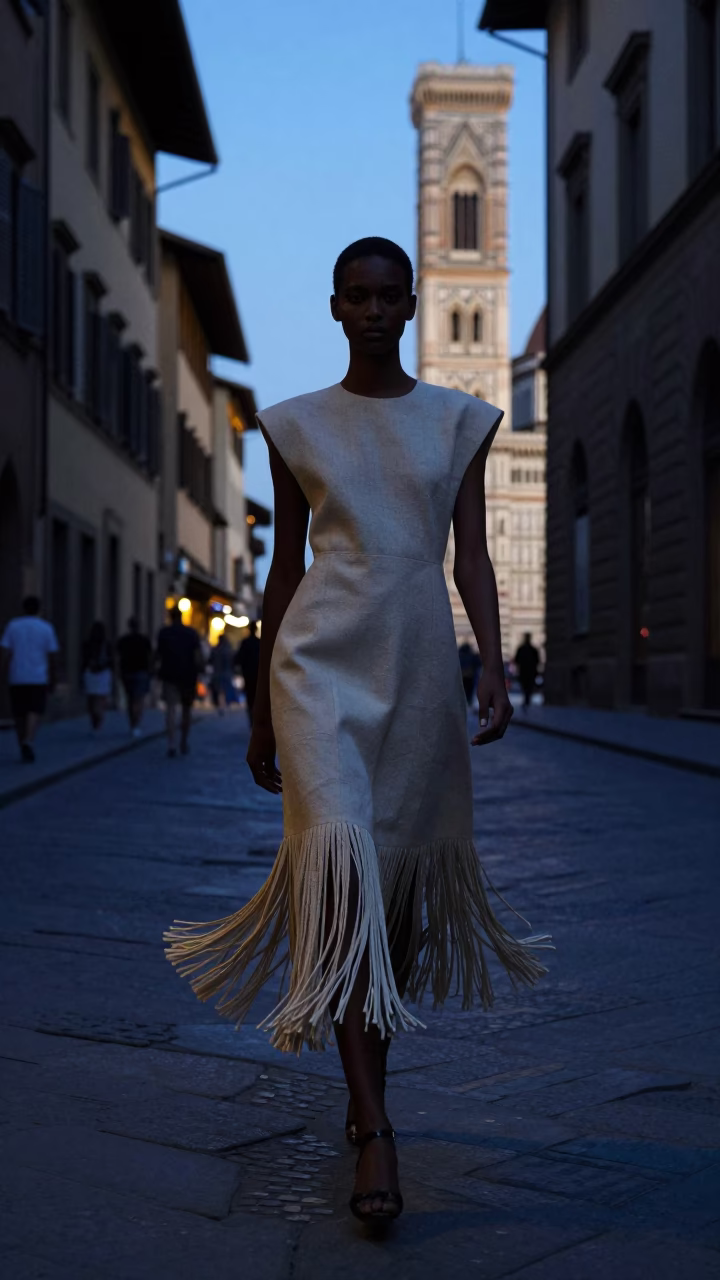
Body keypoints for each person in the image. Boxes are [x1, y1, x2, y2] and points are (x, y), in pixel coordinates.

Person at [165, 237, 549, 1225]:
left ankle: (365, 1088)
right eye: (358, 296)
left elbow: (472, 558)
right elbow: (283, 572)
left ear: (411, 306)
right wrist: (258, 699)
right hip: (317, 674)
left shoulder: (459, 421)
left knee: (399, 908)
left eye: (390, 296)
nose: (375, 310)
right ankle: (376, 1125)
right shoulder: (295, 427)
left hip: (420, 676)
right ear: (335, 308)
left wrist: (496, 664)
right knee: (341, 883)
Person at [0, 596, 59, 762]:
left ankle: (22, 743)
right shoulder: (46, 628)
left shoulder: (13, 626)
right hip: (38, 676)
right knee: (35, 710)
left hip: (17, 675)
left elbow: (5, 651)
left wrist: (3, 672)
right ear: (39, 609)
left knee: (19, 712)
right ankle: (29, 740)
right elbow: (52, 655)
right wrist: (53, 677)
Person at [156, 606, 201, 756]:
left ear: (170, 617)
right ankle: (183, 741)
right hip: (188, 676)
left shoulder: (164, 633)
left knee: (171, 709)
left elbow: (158, 655)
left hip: (169, 675)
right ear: (182, 617)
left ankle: (171, 744)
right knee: (186, 711)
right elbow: (198, 656)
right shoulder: (191, 633)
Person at [117, 617, 153, 736]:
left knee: (130, 699)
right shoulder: (144, 640)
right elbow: (150, 657)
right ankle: (136, 724)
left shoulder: (124, 640)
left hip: (127, 672)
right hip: (141, 672)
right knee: (139, 699)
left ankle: (133, 723)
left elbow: (118, 657)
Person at [82, 621, 113, 731]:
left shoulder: (87, 644)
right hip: (103, 673)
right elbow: (111, 661)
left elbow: (83, 660)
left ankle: (95, 717)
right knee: (100, 697)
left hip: (90, 672)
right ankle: (98, 716)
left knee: (92, 697)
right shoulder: (107, 644)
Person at [234, 620, 260, 725]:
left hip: (248, 675)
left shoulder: (245, 643)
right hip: (258, 676)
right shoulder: (259, 643)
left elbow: (238, 659)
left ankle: (251, 721)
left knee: (250, 700)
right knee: (256, 699)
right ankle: (254, 721)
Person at [209, 632, 234, 714]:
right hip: (225, 673)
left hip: (218, 673)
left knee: (220, 691)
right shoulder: (228, 650)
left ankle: (222, 706)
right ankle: (225, 706)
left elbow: (210, 660)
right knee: (224, 690)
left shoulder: (216, 649)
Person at [514, 632, 541, 709]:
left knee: (526, 686)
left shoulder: (522, 649)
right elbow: (537, 661)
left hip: (524, 671)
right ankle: (527, 700)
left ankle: (526, 700)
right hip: (529, 671)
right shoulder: (533, 649)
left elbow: (516, 660)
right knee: (528, 686)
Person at [458, 640, 481, 706]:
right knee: (469, 692)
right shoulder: (472, 656)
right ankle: (468, 703)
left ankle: (465, 703)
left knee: (463, 692)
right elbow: (478, 664)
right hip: (470, 676)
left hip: (462, 677)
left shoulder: (459, 656)